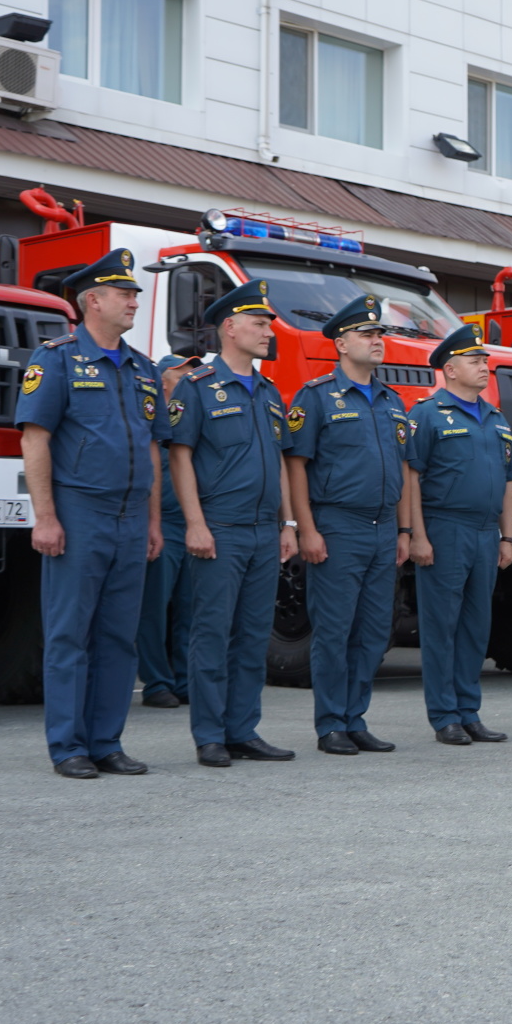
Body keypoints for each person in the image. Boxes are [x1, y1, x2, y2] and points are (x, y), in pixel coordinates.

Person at [17, 248, 165, 779]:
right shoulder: (55, 359)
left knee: (118, 636)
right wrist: (46, 516)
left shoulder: (142, 369)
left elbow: (151, 449)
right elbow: (36, 440)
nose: (134, 303)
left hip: (130, 517)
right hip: (79, 511)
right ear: (92, 301)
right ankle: (68, 746)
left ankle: (106, 740)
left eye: (134, 295)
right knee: (69, 633)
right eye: (125, 294)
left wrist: (151, 522)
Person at [168, 281, 300, 768]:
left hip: (265, 530)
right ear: (230, 328)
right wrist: (195, 524)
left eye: (268, 323)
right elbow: (180, 457)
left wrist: (287, 523)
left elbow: (282, 462)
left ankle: (242, 729)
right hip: (220, 527)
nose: (269, 331)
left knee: (252, 634)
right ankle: (209, 735)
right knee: (211, 633)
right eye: (260, 324)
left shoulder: (268, 391)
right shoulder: (197, 387)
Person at [286, 295, 409, 757]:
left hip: (381, 529)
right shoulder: (316, 396)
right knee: (334, 630)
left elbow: (401, 470)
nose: (377, 341)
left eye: (380, 334)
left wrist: (402, 531)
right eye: (367, 334)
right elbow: (298, 464)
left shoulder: (391, 402)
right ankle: (331, 724)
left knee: (374, 631)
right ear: (341, 342)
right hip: (337, 525)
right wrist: (306, 528)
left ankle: (355, 718)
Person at [404, 323, 512, 747]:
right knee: (442, 625)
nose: (484, 366)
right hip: (445, 528)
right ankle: (444, 715)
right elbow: (411, 478)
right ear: (449, 370)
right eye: (474, 361)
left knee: (475, 625)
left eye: (484, 360)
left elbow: (508, 481)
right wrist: (416, 534)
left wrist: (507, 537)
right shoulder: (427, 415)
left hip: (486, 533)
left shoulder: (496, 418)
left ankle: (469, 711)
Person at [137, 353, 197, 709]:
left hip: (192, 528)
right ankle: (157, 682)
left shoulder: (190, 422)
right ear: (163, 384)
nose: (191, 383)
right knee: (154, 610)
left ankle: (185, 680)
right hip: (164, 527)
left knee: (190, 609)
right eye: (183, 378)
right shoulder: (151, 424)